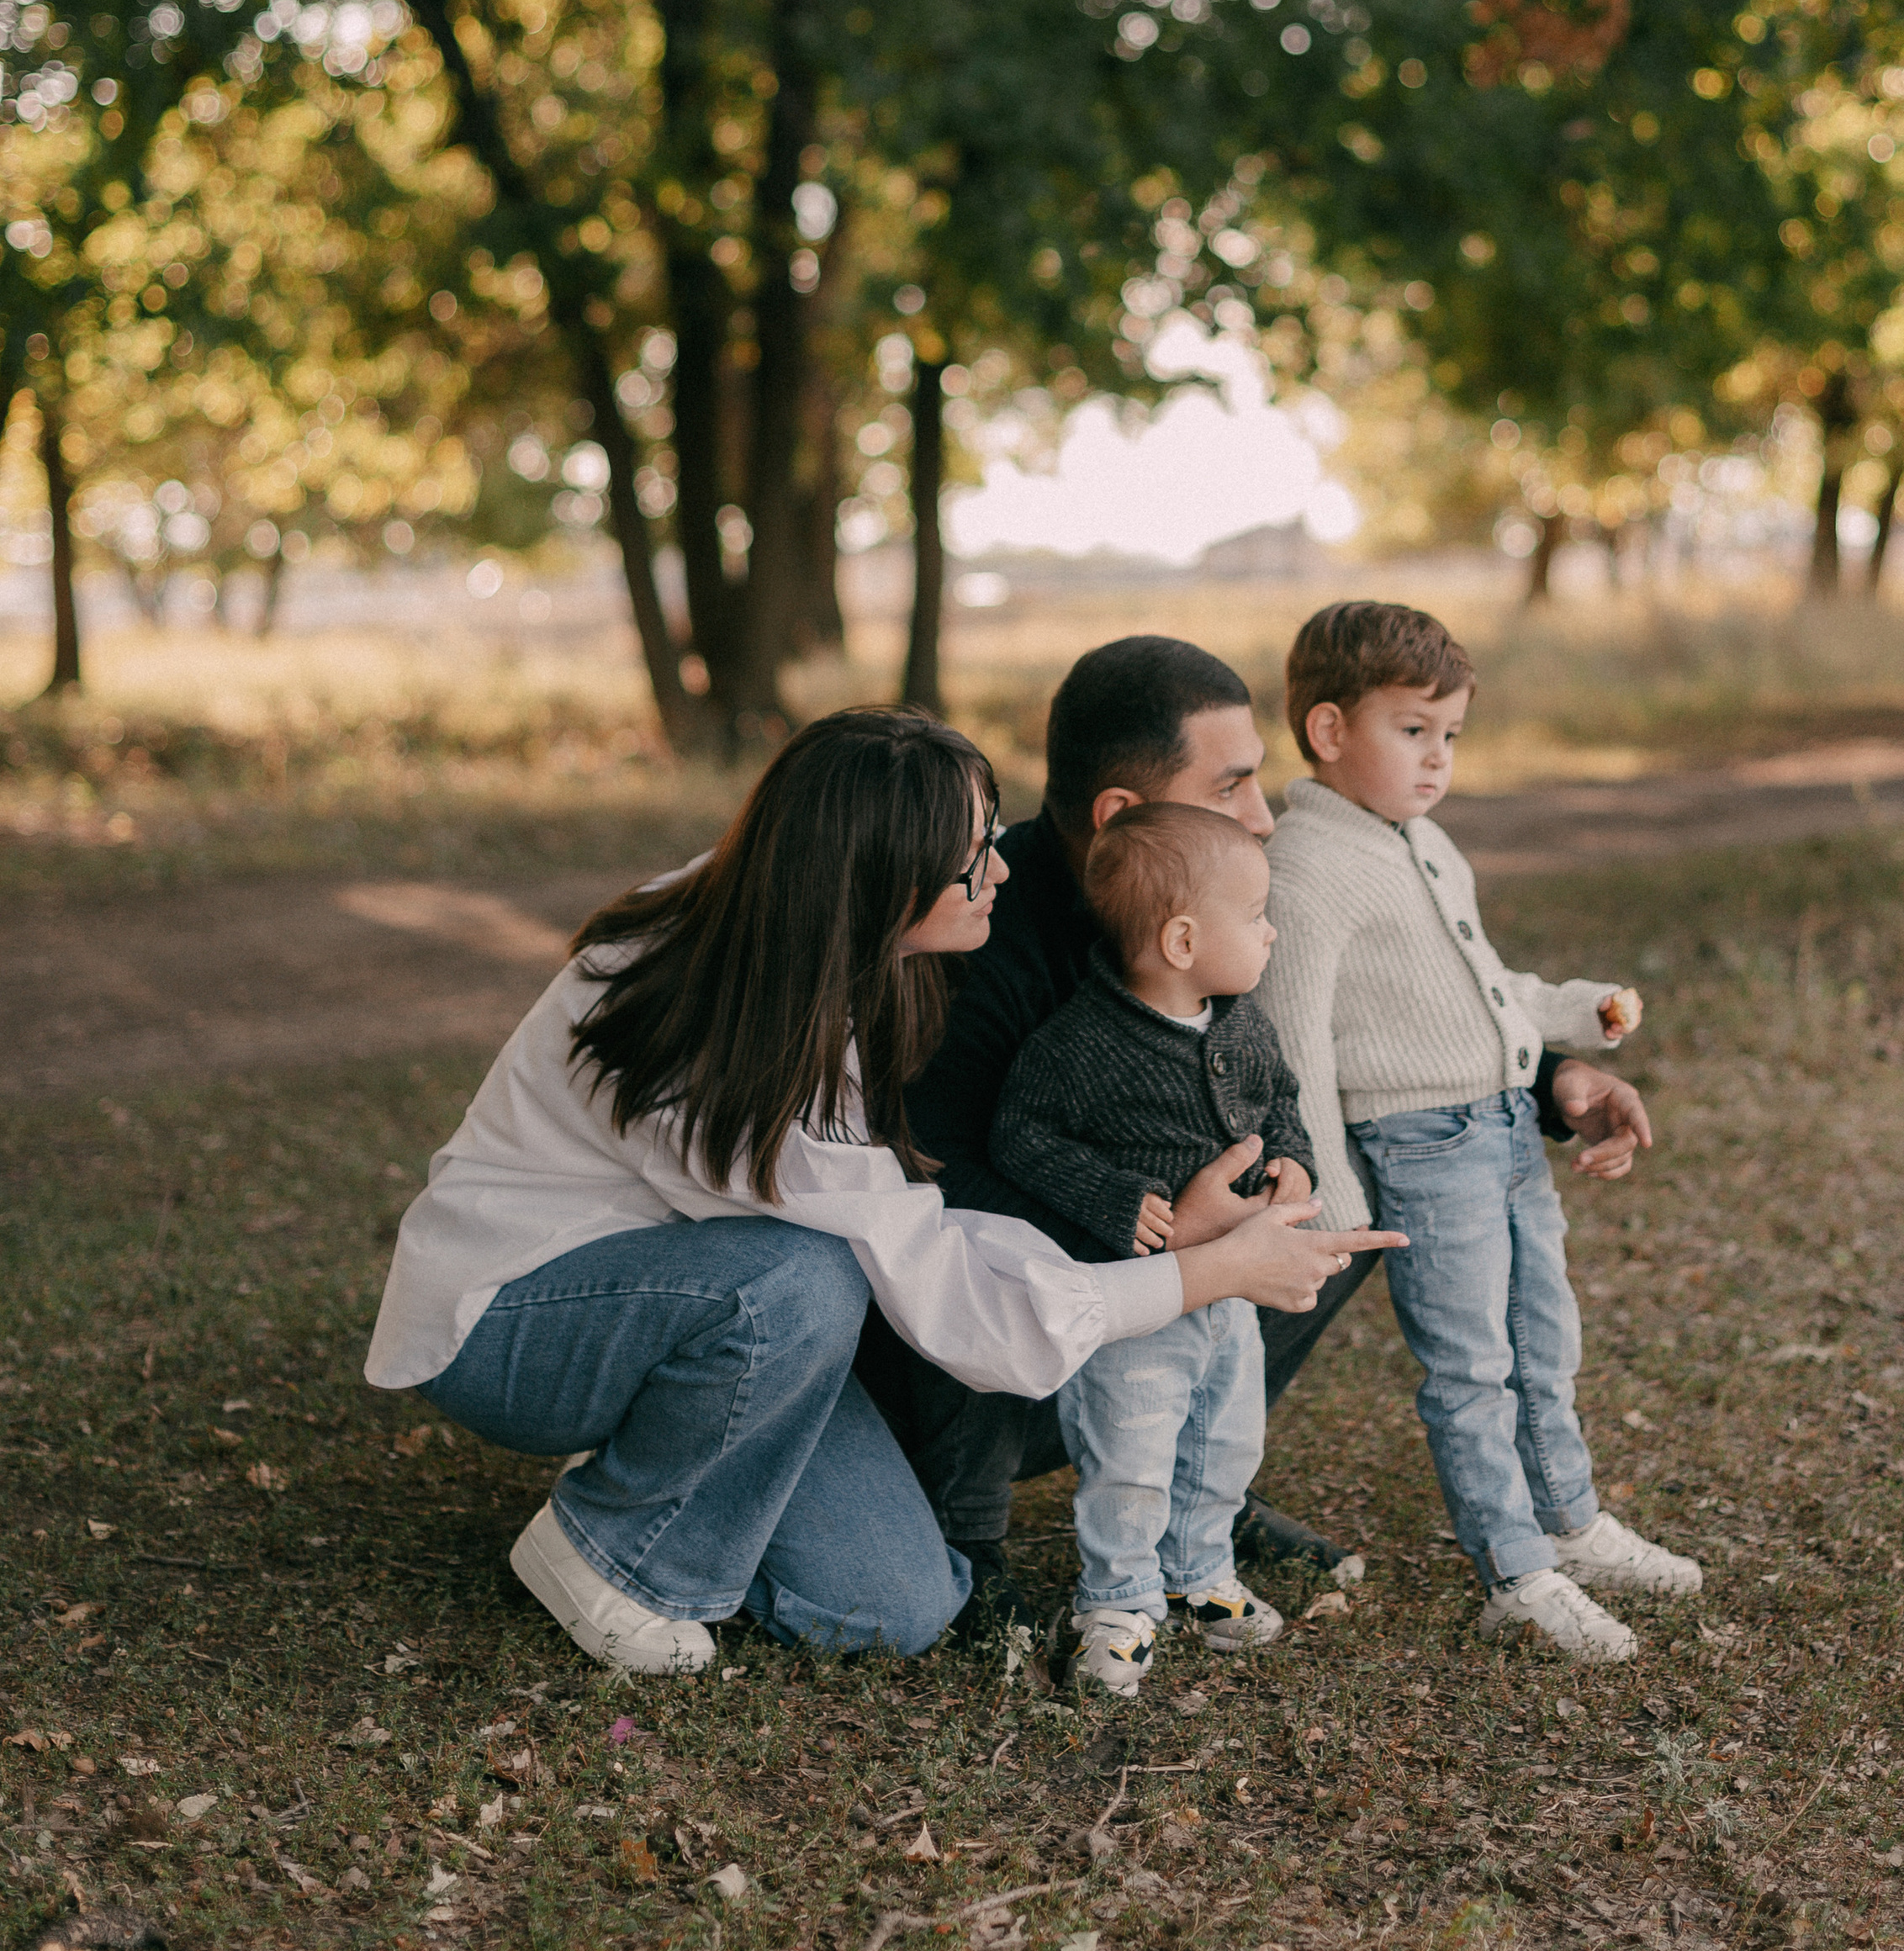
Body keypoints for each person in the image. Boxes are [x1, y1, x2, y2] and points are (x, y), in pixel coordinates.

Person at [364, 705, 1394, 1677]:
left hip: (697, 1306)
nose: (1000, 870)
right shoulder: (724, 1025)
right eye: (971, 860)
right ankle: (618, 1552)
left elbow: (922, 1223)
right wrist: (1198, 1272)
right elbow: (943, 1292)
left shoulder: (818, 945)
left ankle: (672, 1472)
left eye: (992, 836)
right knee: (803, 1280)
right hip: (513, 1323)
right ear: (879, 880)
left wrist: (1174, 1245)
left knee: (896, 1606)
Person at [868, 634, 1650, 1632]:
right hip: (1005, 1313)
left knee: (1340, 1186)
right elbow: (939, 1187)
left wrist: (1552, 1078)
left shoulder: (1223, 902)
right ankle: (967, 1538)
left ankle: (1207, 1491)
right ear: (1123, 816)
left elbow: (1366, 1033)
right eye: (1232, 785)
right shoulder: (980, 939)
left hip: (1177, 1274)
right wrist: (1158, 1233)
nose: (1263, 816)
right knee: (979, 1243)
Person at [1257, 600, 1704, 1663]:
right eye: (1412, 730)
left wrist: (1573, 1012)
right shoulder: (1309, 863)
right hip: (1420, 1147)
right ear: (1328, 730)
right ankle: (1516, 1570)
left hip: (1502, 1128)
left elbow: (1479, 988)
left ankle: (1571, 1520)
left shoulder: (1423, 843)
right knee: (1471, 1368)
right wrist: (1331, 1194)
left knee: (1544, 1340)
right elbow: (1295, 1041)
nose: (1437, 759)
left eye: (1450, 735)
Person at [991, 803, 1319, 1695]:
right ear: (1181, 940)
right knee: (1130, 1454)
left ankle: (1199, 1574)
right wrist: (1114, 1197)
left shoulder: (1241, 1022)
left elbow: (1280, 1100)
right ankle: (1117, 1599)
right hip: (1139, 1302)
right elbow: (1020, 1134)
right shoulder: (1082, 1044)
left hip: (1230, 1295)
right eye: (1253, 917)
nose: (1270, 931)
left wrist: (1292, 1162)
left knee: (1225, 1440)